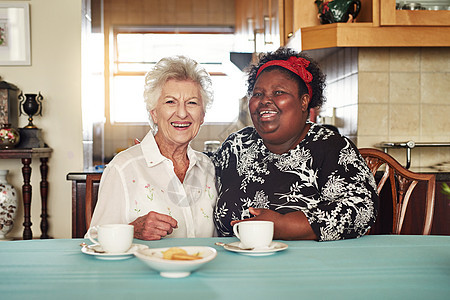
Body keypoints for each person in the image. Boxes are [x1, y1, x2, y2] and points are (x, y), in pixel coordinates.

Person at [210, 47, 378, 241]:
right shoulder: (236, 146)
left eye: (278, 92)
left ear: (304, 101)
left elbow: (362, 208)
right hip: (234, 263)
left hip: (310, 266)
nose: (265, 101)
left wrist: (284, 225)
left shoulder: (331, 147)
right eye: (258, 94)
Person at [89, 56, 217, 240]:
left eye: (192, 103)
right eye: (170, 102)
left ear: (202, 115)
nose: (182, 113)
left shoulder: (208, 168)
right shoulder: (123, 168)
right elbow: (93, 239)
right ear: (154, 113)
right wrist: (133, 230)